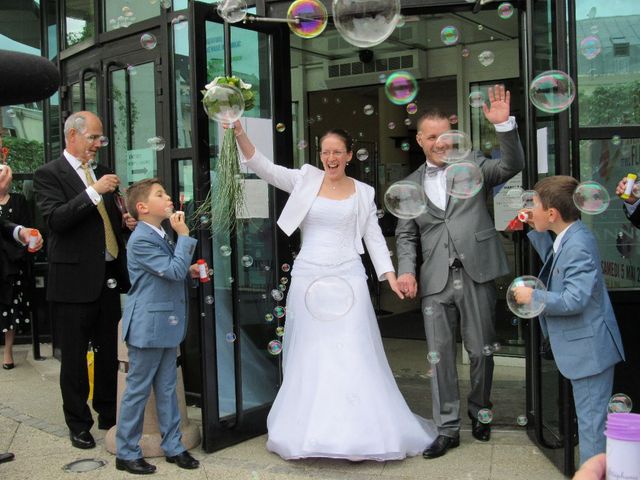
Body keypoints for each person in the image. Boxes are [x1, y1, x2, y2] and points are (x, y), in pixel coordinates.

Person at [232, 121, 436, 461]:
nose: (330, 157)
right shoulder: (304, 180)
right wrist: (239, 131)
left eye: (337, 152)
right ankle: (308, 430)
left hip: (349, 278)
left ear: (348, 155)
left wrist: (391, 275)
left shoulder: (364, 192)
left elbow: (372, 238)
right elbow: (261, 166)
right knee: (311, 353)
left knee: (353, 351)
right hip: (308, 277)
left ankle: (361, 431)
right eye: (325, 152)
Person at [395, 86, 525, 459]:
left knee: (481, 349)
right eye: (431, 137)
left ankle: (479, 411)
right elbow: (406, 236)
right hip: (435, 279)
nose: (439, 143)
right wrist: (406, 271)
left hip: (476, 271)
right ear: (420, 139)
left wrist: (504, 127)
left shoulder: (475, 165)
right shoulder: (407, 186)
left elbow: (512, 165)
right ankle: (447, 428)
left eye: (445, 136)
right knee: (439, 357)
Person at [34, 111, 134, 449]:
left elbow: (107, 223)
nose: (98, 144)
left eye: (101, 138)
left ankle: (108, 413)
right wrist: (93, 191)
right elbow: (57, 220)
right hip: (72, 281)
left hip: (106, 275)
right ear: (72, 136)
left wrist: (126, 223)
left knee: (108, 352)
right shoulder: (49, 174)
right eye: (93, 137)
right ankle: (78, 423)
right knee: (75, 358)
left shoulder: (103, 173)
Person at [513, 175, 625, 466]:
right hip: (584, 347)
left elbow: (574, 299)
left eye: (534, 205)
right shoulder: (570, 236)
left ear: (552, 214)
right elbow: (558, 265)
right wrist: (537, 231)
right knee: (590, 420)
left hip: (589, 350)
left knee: (591, 425)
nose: (530, 209)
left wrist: (533, 297)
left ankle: (594, 473)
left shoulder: (578, 244)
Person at [115, 179, 200, 474]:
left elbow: (169, 272)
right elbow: (172, 270)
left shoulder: (159, 233)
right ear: (142, 208)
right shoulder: (141, 238)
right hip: (148, 326)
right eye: (159, 195)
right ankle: (126, 452)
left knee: (166, 388)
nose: (167, 198)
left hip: (164, 322)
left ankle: (174, 446)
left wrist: (188, 268)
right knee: (138, 391)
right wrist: (184, 236)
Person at [0, 159, 33, 369]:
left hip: (10, 262)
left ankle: (8, 351)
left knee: (9, 307)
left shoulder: (18, 200)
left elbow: (24, 230)